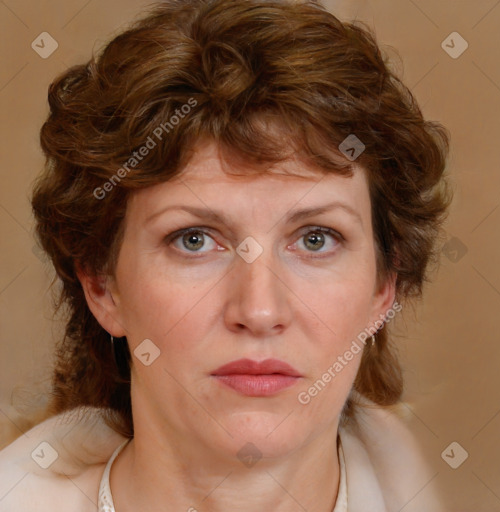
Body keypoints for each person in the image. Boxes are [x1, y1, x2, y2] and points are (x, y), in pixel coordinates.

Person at [0, 0, 452, 510]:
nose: (260, 311)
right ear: (103, 286)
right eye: (193, 240)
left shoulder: (413, 484)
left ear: (382, 289)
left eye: (315, 239)